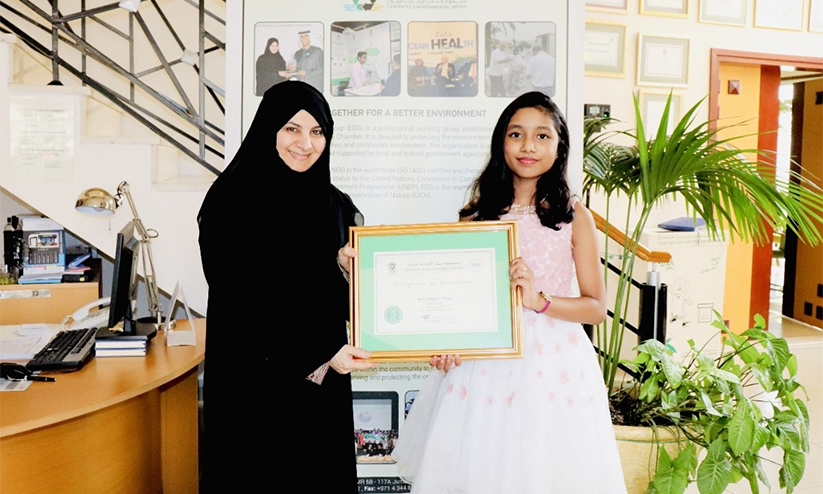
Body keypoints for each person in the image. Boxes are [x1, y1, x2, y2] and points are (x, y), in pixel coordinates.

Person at [391, 91, 628, 494]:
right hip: (484, 362)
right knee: (481, 468)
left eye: (542, 136)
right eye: (516, 134)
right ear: (501, 142)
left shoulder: (574, 215)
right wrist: (447, 343)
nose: (528, 146)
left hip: (553, 366)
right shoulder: (475, 214)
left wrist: (539, 301)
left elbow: (596, 308)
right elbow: (454, 299)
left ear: (560, 146)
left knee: (543, 470)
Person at [197, 81, 376, 493]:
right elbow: (241, 301)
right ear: (269, 128)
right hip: (256, 391)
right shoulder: (231, 202)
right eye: (292, 128)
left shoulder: (335, 205)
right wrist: (321, 353)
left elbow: (341, 300)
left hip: (321, 388)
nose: (306, 144)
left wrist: (344, 269)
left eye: (317, 131)